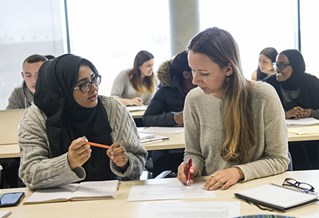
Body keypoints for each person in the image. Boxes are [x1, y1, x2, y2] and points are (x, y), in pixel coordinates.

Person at [177, 27, 289, 190]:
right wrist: (191, 167)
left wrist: (237, 172)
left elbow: (279, 160)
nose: (195, 80)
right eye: (192, 70)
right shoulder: (194, 99)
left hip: (256, 191)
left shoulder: (264, 96)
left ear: (228, 69)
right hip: (213, 191)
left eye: (204, 73)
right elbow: (194, 153)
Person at [18, 54, 148, 190]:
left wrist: (125, 163)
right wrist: (69, 162)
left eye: (94, 79)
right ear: (62, 89)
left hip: (110, 197)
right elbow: (29, 174)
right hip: (57, 203)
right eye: (83, 85)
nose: (94, 88)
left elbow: (139, 161)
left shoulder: (113, 108)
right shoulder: (36, 116)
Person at [142, 50, 196, 177]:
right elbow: (147, 119)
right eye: (196, 70)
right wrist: (173, 118)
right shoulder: (166, 91)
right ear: (187, 74)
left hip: (197, 147)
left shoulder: (207, 89)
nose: (201, 76)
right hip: (169, 151)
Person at [265, 49, 319, 170]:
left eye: (282, 65)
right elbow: (257, 115)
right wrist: (283, 114)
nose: (277, 69)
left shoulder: (312, 83)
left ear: (296, 66)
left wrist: (311, 112)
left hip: (313, 138)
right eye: (276, 65)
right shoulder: (269, 85)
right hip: (282, 141)